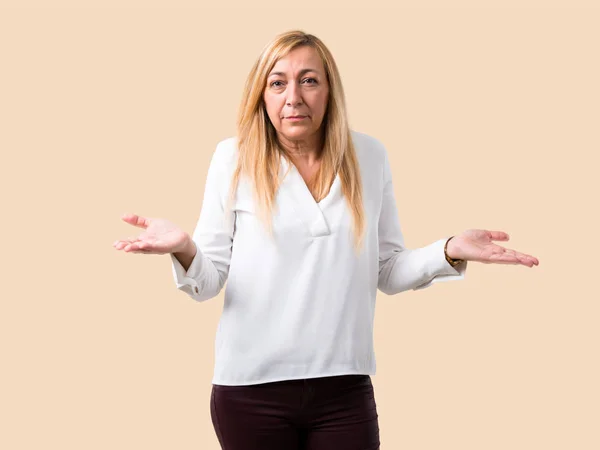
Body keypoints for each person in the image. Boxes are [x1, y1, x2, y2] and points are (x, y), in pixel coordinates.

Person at [113, 30, 539, 450]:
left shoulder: (369, 156)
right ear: (262, 95)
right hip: (250, 390)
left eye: (309, 80)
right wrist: (184, 248)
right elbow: (207, 283)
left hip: (344, 387)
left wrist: (447, 250)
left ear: (329, 90)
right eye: (278, 83)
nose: (293, 96)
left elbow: (387, 270)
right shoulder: (234, 157)